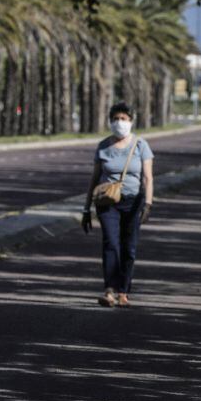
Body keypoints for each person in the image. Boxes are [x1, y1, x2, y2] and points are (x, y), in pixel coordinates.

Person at [82, 102, 154, 308]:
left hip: (133, 202)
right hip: (108, 202)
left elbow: (148, 178)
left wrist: (148, 204)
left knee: (129, 247)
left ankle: (124, 291)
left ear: (131, 121)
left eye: (123, 119)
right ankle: (110, 290)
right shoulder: (103, 146)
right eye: (115, 119)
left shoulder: (141, 145)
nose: (119, 122)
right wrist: (86, 209)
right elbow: (94, 178)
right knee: (111, 243)